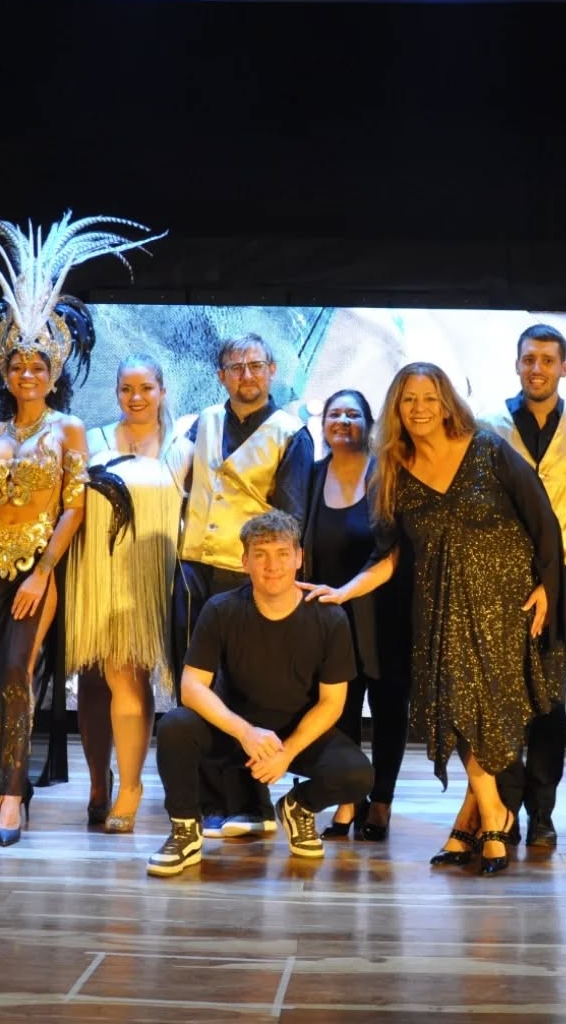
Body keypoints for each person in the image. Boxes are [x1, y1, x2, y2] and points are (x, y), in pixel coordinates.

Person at [0, 210, 162, 847]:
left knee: (19, 673)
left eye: (38, 366)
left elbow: (74, 506)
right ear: (5, 370)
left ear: (55, 369)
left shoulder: (67, 428)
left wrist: (44, 572)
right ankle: (7, 784)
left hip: (35, 571)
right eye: (18, 365)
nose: (28, 375)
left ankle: (13, 797)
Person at [303, 362, 566, 876]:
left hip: (506, 599)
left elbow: (541, 516)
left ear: (446, 404)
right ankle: (490, 813)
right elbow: (388, 554)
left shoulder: (486, 448)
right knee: (459, 710)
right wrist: (344, 591)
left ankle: (480, 819)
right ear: (396, 410)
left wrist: (548, 586)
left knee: (491, 711)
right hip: (441, 606)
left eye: (429, 398)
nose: (419, 408)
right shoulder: (393, 469)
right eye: (409, 400)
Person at [147, 510, 373, 876]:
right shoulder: (221, 610)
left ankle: (298, 808)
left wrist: (288, 753)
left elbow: (332, 703)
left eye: (283, 553)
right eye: (261, 554)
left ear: (299, 558)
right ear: (245, 561)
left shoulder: (329, 618)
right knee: (174, 727)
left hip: (295, 734)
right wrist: (245, 732)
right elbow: (191, 687)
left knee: (358, 775)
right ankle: (185, 831)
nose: (272, 566)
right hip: (236, 732)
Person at [176, 332, 314, 837]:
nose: (246, 375)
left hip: (247, 574)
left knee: (241, 689)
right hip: (193, 568)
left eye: (255, 365)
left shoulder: (291, 433)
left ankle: (248, 801)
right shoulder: (202, 423)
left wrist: (274, 580)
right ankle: (206, 798)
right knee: (197, 685)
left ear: (272, 370)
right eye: (236, 367)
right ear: (221, 376)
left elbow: (290, 519)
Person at [65, 354, 191, 832]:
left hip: (144, 581)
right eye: (126, 389)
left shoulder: (182, 448)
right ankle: (99, 782)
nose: (136, 398)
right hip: (91, 574)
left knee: (127, 675)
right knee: (92, 681)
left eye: (146, 388)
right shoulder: (93, 440)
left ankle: (131, 787)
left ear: (162, 390)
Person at [480, 324, 566, 849]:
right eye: (529, 359)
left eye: (547, 360)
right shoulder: (489, 424)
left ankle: (542, 811)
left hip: (562, 575)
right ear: (517, 364)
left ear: (564, 367)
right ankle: (505, 805)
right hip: (503, 576)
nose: (537, 369)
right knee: (502, 697)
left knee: (550, 699)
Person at [302, 390, 410, 842]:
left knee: (388, 709)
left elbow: (398, 549)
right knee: (339, 710)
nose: (342, 421)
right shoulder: (311, 476)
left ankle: (381, 800)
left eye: (353, 414)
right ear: (323, 424)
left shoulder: (388, 474)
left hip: (385, 613)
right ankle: (350, 798)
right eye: (334, 414)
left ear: (369, 425)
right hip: (329, 618)